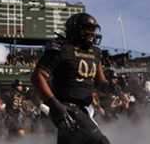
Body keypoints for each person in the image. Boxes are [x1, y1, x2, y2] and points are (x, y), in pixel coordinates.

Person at [31, 12, 127, 144]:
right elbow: (38, 76)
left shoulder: (95, 52)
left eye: (93, 29)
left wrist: (113, 88)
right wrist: (54, 104)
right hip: (66, 107)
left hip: (85, 108)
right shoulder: (61, 48)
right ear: (75, 29)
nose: (92, 33)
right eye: (88, 28)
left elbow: (100, 82)